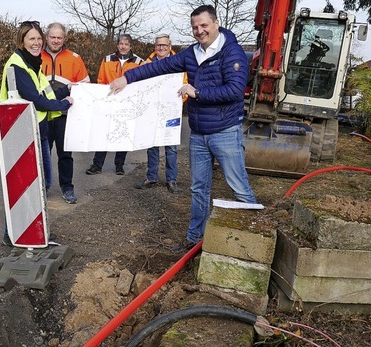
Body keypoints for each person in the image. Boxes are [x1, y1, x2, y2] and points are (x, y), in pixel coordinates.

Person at [109, 5, 257, 251]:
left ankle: (256, 239)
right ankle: (194, 239)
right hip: (199, 134)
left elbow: (234, 91)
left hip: (225, 132)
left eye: (204, 26)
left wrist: (196, 92)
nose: (199, 31)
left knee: (238, 187)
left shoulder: (232, 52)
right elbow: (157, 67)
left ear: (216, 23)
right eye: (195, 27)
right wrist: (127, 78)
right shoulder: (191, 53)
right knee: (199, 189)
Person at [0, 21, 73, 246]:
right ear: (22, 41)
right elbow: (35, 100)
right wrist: (63, 104)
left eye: (39, 38)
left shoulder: (32, 63)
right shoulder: (18, 65)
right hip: (21, 132)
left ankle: (34, 231)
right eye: (32, 38)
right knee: (26, 185)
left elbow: (44, 92)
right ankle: (12, 233)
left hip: (35, 128)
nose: (37, 42)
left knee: (40, 183)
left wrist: (65, 90)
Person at [41, 23, 90, 204]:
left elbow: (85, 84)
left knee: (65, 154)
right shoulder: (36, 56)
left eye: (59, 37)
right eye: (52, 37)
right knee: (41, 154)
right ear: (46, 38)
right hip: (42, 114)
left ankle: (67, 187)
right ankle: (41, 188)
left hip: (64, 115)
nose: (55, 40)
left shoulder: (74, 58)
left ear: (64, 39)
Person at [86, 34, 144, 176]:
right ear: (117, 45)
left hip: (127, 103)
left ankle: (119, 165)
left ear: (130, 46)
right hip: (109, 101)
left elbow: (142, 82)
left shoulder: (139, 62)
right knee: (103, 133)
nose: (123, 46)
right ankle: (97, 164)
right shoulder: (107, 60)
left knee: (123, 133)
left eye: (126, 44)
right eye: (121, 44)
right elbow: (100, 80)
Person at [135, 33, 182, 194]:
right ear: (155, 47)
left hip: (171, 112)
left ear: (170, 47)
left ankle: (171, 179)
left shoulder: (179, 63)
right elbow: (139, 85)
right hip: (152, 113)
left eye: (164, 45)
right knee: (152, 145)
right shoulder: (146, 64)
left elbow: (186, 85)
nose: (161, 48)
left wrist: (177, 104)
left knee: (171, 147)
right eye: (158, 45)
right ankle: (151, 177)